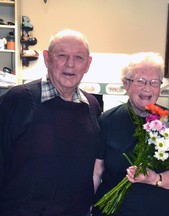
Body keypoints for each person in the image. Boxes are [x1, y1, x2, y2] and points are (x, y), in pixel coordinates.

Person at [0, 29, 102, 216]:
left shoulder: (92, 106)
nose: (70, 64)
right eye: (62, 55)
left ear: (88, 64)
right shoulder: (19, 100)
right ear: (47, 59)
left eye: (79, 58)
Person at [92, 52, 169, 216]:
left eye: (154, 82)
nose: (147, 88)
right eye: (141, 81)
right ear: (126, 83)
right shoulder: (107, 120)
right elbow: (96, 172)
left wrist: (155, 178)